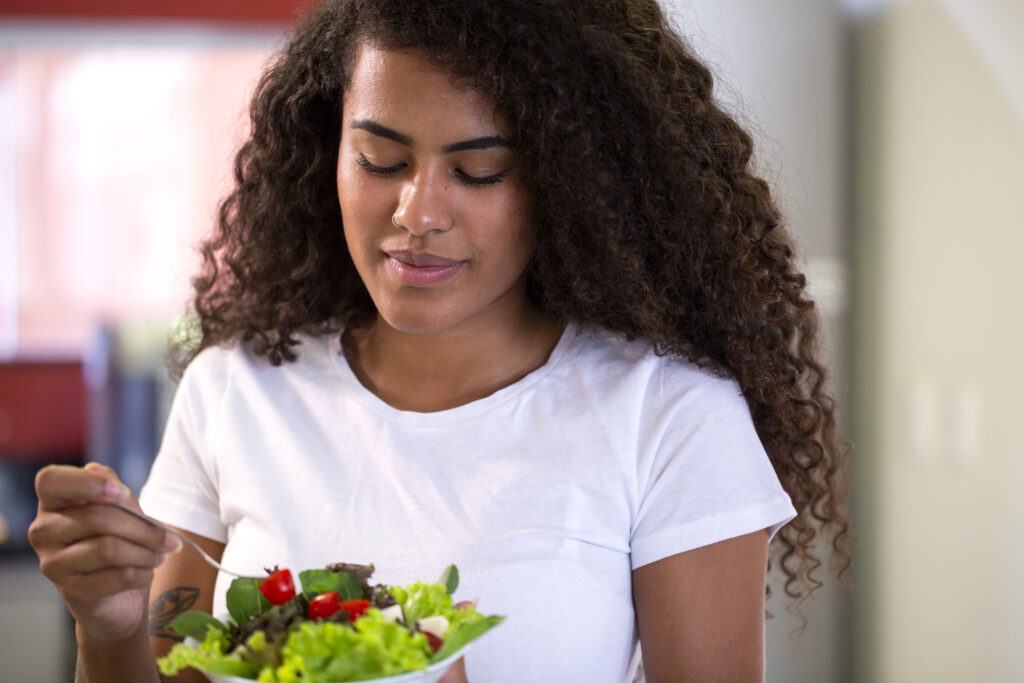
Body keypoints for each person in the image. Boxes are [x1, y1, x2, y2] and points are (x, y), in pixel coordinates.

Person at [28, 0, 850, 681]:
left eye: (478, 170)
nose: (417, 214)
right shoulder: (236, 387)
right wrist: (109, 625)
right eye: (380, 158)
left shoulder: (669, 414)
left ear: (571, 181)